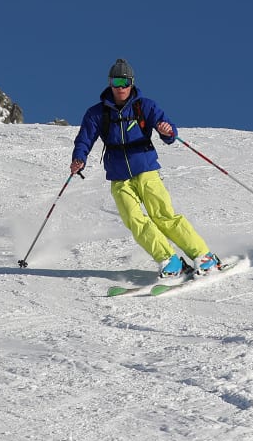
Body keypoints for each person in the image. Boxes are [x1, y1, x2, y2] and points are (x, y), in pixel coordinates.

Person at [70, 58, 219, 278]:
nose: (120, 87)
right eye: (116, 82)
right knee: (134, 221)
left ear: (132, 83)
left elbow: (168, 129)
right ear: (109, 83)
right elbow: (84, 139)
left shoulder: (144, 106)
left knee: (163, 215)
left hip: (146, 170)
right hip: (118, 176)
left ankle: (204, 256)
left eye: (125, 82)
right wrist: (78, 158)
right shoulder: (97, 113)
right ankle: (170, 261)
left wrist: (167, 131)